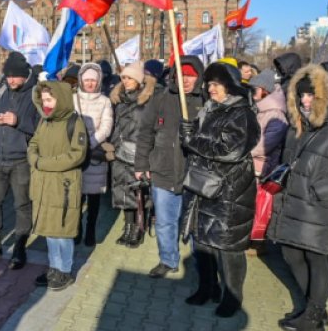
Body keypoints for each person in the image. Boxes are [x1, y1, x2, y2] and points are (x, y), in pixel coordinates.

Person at [267, 65, 328, 331]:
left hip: (317, 207)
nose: (305, 101)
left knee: (316, 258)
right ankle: (314, 308)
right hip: (291, 204)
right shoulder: (296, 128)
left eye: (311, 95)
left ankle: (315, 314)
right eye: (301, 95)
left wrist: (321, 192)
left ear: (326, 98)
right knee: (291, 254)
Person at [182, 61, 260, 317]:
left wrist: (194, 141)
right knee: (203, 241)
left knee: (228, 246)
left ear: (230, 86)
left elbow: (231, 150)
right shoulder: (210, 109)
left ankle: (233, 297)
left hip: (230, 191)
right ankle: (207, 288)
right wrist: (190, 133)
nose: (210, 88)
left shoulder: (242, 113)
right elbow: (204, 142)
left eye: (216, 84)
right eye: (209, 83)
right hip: (204, 187)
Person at [135, 57, 206, 278]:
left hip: (194, 175)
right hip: (163, 171)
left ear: (199, 77)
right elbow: (145, 133)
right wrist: (141, 164)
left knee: (195, 225)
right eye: (182, 74)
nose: (186, 80)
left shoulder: (205, 101)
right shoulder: (160, 99)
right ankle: (168, 259)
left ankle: (200, 266)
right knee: (165, 221)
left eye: (191, 75)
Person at [0, 52, 39, 269]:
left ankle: (20, 247)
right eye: (8, 75)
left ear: (25, 75)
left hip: (21, 160)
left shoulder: (35, 93)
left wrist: (18, 121)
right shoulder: (0, 89)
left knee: (22, 204)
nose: (11, 80)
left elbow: (41, 126)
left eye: (15, 76)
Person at [28, 80, 89, 290]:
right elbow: (33, 143)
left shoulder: (75, 122)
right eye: (43, 100)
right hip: (44, 184)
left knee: (63, 231)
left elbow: (77, 155)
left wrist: (43, 163)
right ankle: (54, 267)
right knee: (49, 231)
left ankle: (65, 271)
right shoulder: (44, 120)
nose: (46, 104)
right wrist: (33, 158)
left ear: (60, 99)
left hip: (64, 185)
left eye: (49, 99)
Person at [109, 62, 156, 243]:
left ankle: (138, 228)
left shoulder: (149, 100)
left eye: (129, 78)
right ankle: (128, 227)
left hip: (139, 152)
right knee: (123, 191)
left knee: (139, 193)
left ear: (138, 79)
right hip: (121, 152)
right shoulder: (120, 99)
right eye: (123, 78)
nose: (126, 81)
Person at [73, 63, 114, 247]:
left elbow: (106, 126)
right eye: (87, 80)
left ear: (98, 81)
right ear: (81, 80)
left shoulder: (105, 101)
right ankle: (76, 230)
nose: (90, 83)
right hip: (75, 154)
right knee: (76, 197)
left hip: (95, 155)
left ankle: (90, 230)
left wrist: (90, 141)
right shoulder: (73, 99)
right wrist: (78, 143)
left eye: (93, 80)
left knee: (94, 199)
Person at [250, 69, 288, 179]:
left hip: (263, 171)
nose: (251, 93)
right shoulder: (260, 109)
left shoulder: (276, 114)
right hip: (253, 166)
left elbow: (264, 146)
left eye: (254, 89)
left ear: (264, 90)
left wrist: (241, 152)